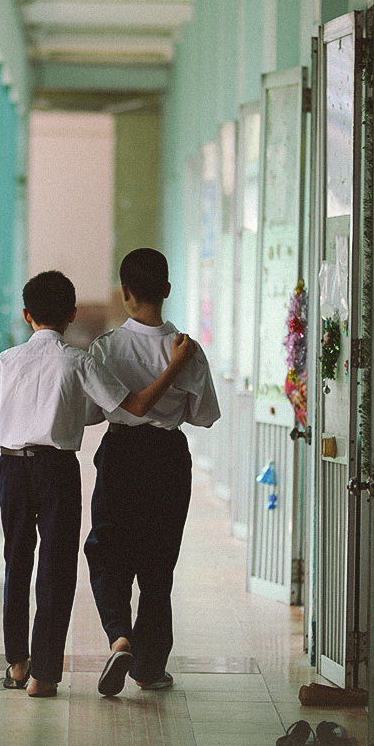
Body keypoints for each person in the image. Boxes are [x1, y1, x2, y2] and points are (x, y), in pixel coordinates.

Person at [0, 270, 196, 698]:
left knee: (16, 563)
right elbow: (136, 407)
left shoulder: (6, 360)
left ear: (25, 315)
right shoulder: (80, 361)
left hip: (13, 470)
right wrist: (174, 365)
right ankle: (45, 676)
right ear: (72, 314)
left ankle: (17, 664)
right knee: (55, 571)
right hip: (57, 472)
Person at [84, 248, 220, 697]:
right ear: (165, 290)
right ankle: (148, 667)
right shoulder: (186, 349)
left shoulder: (106, 348)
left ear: (125, 293)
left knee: (108, 548)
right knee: (159, 563)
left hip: (121, 455)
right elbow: (204, 416)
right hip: (167, 457)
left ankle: (119, 636)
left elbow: (92, 414)